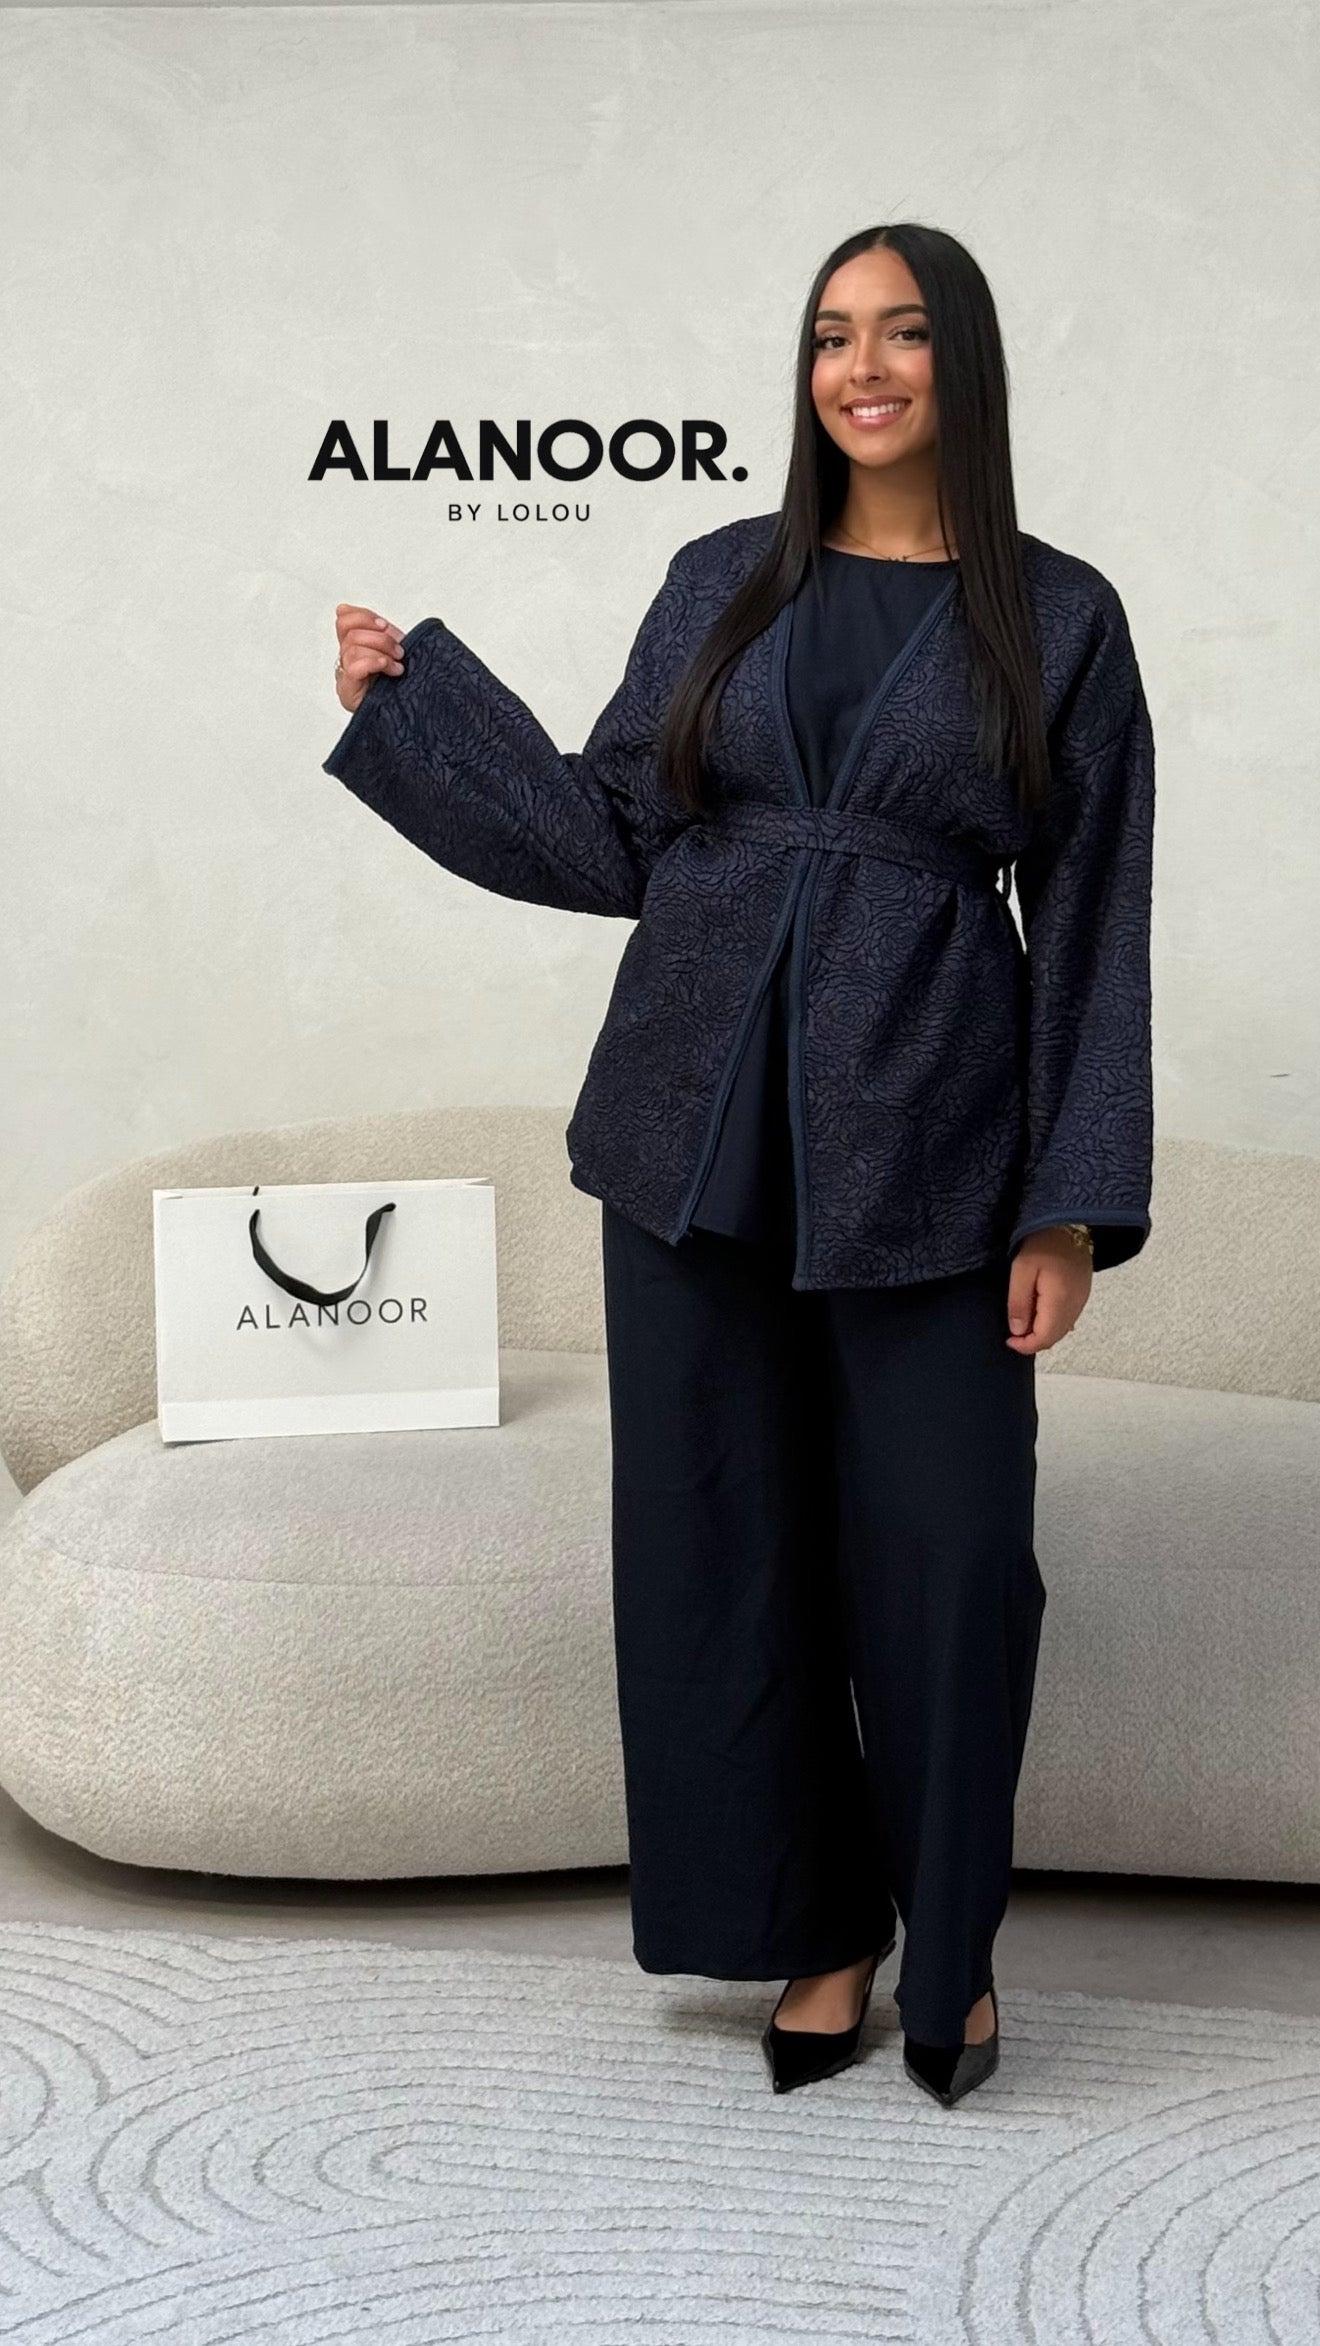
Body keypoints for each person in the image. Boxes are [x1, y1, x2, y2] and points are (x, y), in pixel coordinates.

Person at [323, 222, 1155, 2109]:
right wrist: (413, 713)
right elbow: (614, 831)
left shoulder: (1064, 614)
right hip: (688, 1133)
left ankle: (951, 1951)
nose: (863, 368)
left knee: (953, 1551)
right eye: (832, 335)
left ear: (962, 363)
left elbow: (1095, 916)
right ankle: (818, 1928)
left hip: (933, 1136)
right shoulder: (723, 575)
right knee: (724, 1548)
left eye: (903, 334)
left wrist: (1066, 1201)